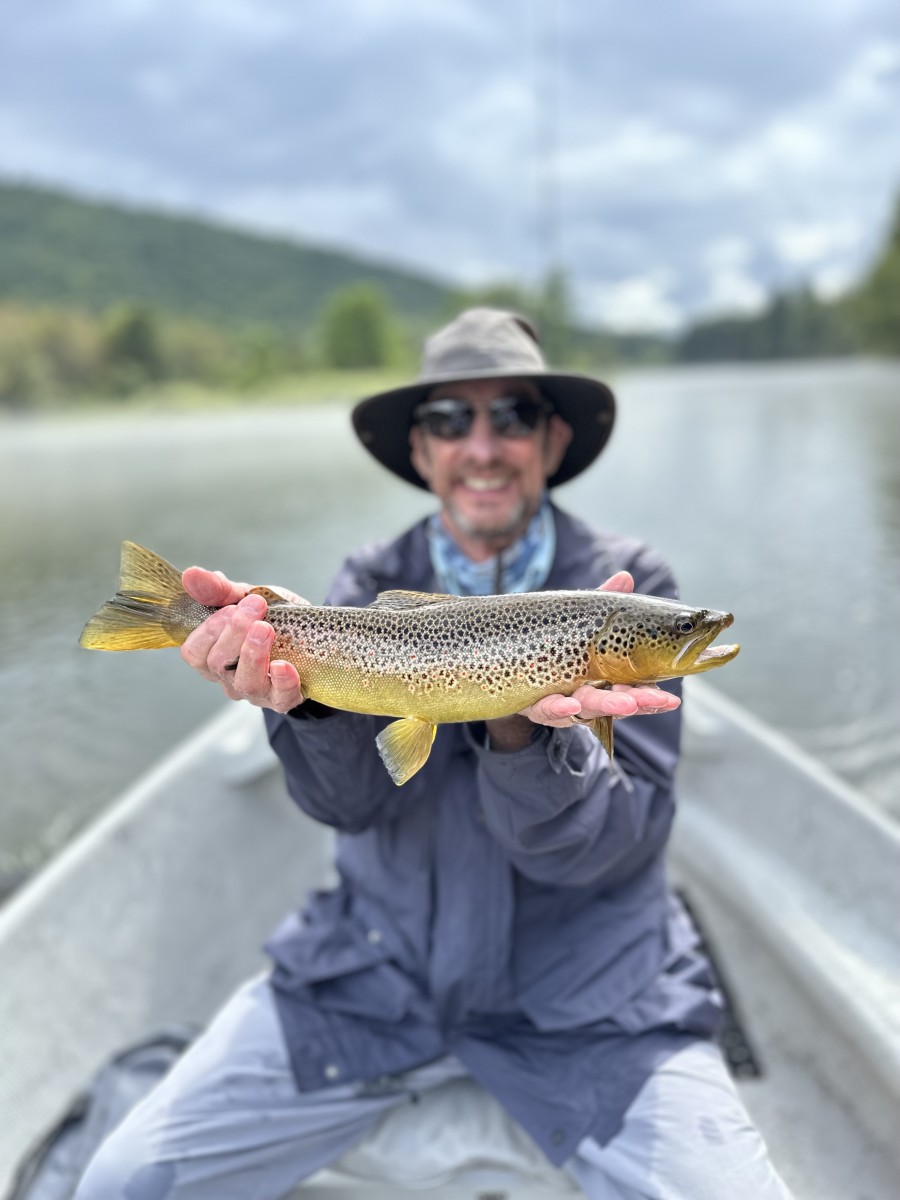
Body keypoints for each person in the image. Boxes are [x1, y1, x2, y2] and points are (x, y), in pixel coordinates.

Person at [75, 309, 791, 1199]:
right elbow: (346, 808)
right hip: (372, 981)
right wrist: (306, 712)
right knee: (122, 1181)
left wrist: (521, 727)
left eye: (513, 416)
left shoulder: (629, 585)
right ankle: (155, 614)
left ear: (552, 436)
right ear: (420, 450)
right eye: (451, 420)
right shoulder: (362, 588)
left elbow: (616, 844)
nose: (481, 446)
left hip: (591, 1000)